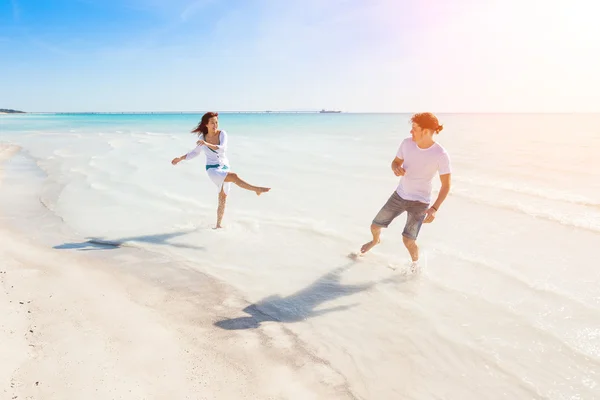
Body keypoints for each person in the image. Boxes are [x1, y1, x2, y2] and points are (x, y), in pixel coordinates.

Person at [359, 112, 451, 269]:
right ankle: (375, 240)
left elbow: (446, 185)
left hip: (421, 203)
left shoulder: (440, 154)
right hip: (400, 195)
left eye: (414, 128)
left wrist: (434, 209)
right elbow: (395, 162)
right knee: (374, 226)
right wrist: (396, 168)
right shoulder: (406, 144)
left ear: (427, 131)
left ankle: (416, 266)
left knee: (408, 241)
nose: (411, 132)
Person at [171, 112, 270, 229]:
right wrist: (180, 158)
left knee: (223, 197)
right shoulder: (202, 138)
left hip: (224, 166)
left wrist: (206, 144)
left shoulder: (222, 134)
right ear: (206, 124)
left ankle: (218, 225)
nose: (215, 125)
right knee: (234, 176)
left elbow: (222, 149)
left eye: (216, 122)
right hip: (212, 169)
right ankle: (256, 189)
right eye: (212, 123)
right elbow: (195, 152)